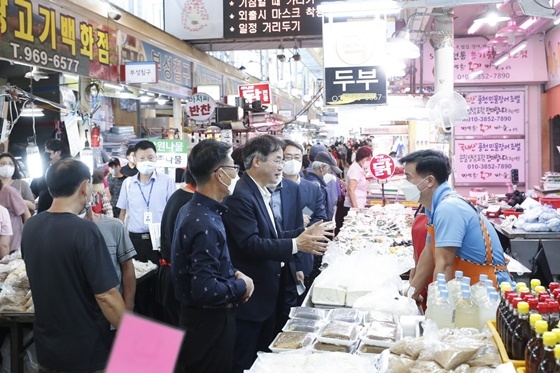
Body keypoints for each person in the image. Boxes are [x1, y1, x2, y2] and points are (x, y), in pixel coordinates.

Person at [223, 135, 333, 372]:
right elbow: (250, 244)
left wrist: (302, 232)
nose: (282, 166)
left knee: (263, 356)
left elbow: (271, 235)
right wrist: (296, 243)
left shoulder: (260, 190)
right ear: (256, 162)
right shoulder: (242, 196)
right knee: (245, 360)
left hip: (269, 293)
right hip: (252, 296)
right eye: (278, 160)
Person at [21, 158, 125, 372]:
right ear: (85, 186)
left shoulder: (31, 227)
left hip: (48, 349)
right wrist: (135, 337)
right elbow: (106, 296)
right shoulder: (84, 230)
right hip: (85, 351)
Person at [171, 139, 254, 373]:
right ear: (220, 174)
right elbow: (204, 290)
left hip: (197, 323)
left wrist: (233, 273)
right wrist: (242, 285)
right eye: (233, 168)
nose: (236, 174)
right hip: (209, 327)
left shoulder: (193, 209)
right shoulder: (204, 222)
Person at [398, 150, 511, 301]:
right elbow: (429, 255)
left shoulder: (449, 207)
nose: (405, 184)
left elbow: (445, 265)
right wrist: (411, 295)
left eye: (408, 177)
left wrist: (437, 309)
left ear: (429, 181)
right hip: (469, 290)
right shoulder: (435, 207)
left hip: (488, 295)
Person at [116, 140, 175, 318]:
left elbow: (172, 213)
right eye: (142, 158)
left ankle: (160, 329)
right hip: (134, 242)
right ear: (135, 160)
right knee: (137, 289)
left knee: (159, 289)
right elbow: (122, 214)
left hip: (158, 241)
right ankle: (142, 333)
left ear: (156, 158)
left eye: (151, 157)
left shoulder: (167, 181)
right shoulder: (128, 184)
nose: (147, 160)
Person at [282, 139, 327, 304]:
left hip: (305, 254)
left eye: (297, 157)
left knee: (302, 302)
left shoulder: (312, 188)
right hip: (281, 255)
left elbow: (320, 217)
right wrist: (296, 221)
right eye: (288, 157)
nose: (292, 161)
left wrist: (306, 220)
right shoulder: (272, 187)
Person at [158, 169, 196, 326]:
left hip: (170, 274)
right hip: (180, 278)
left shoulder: (179, 196)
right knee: (181, 336)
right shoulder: (191, 202)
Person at [85, 206, 136, 312]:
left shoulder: (114, 226)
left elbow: (127, 267)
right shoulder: (62, 230)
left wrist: (128, 307)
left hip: (113, 311)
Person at [30, 139, 71, 213]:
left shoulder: (70, 170)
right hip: (44, 213)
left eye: (48, 152)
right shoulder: (42, 169)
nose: (45, 154)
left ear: (58, 152)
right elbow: (33, 192)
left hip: (65, 213)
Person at [0, 180, 30, 255]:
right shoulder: (2, 211)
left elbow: (26, 213)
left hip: (12, 242)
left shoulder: (9, 192)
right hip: (5, 244)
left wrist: (28, 238)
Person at [344, 146, 373, 210]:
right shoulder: (355, 170)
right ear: (360, 157)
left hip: (359, 204)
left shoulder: (359, 168)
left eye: (370, 159)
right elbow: (351, 190)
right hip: (353, 207)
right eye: (367, 159)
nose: (369, 161)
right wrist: (356, 209)